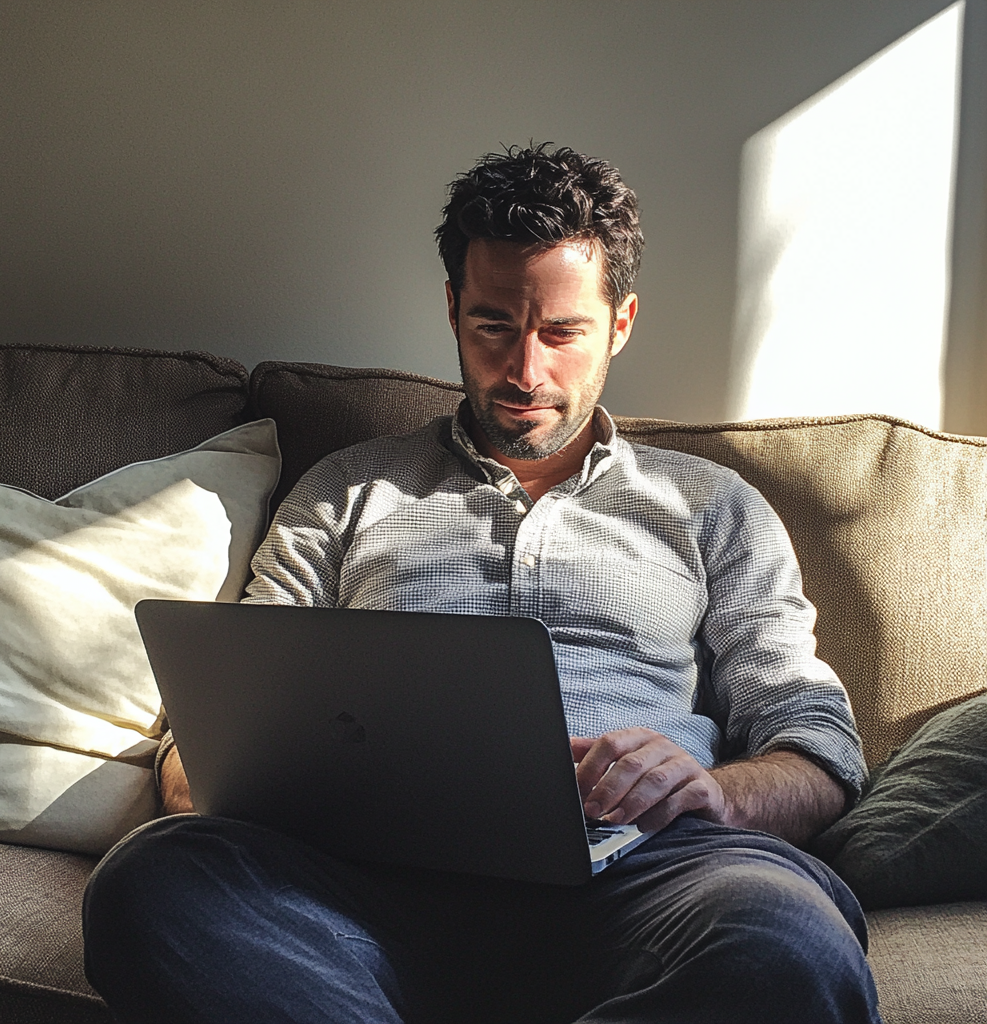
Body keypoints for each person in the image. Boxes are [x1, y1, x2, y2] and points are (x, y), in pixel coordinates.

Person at [83, 145, 883, 1024]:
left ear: (620, 323)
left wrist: (714, 790)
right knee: (153, 883)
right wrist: (215, 785)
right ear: (454, 309)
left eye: (563, 332)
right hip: (360, 894)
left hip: (642, 873)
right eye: (495, 325)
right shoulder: (349, 490)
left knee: (790, 944)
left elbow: (817, 747)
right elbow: (218, 724)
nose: (525, 372)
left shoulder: (712, 506)